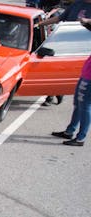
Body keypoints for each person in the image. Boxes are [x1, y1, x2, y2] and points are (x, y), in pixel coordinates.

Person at [50, 17, 91, 146]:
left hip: (89, 78)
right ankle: (70, 131)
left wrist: (86, 21)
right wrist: (84, 22)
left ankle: (80, 138)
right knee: (79, 104)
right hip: (86, 75)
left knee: (85, 106)